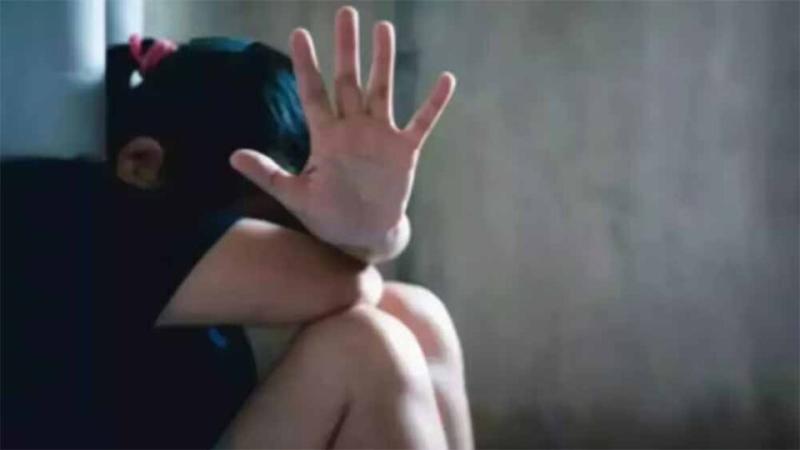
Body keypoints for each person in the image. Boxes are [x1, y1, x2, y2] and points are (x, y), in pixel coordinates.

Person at [1, 6, 472, 449]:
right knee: (366, 348)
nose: (290, 246)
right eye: (270, 228)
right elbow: (348, 282)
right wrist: (370, 236)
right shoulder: (70, 210)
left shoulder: (163, 224)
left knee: (414, 313)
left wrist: (375, 226)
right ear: (141, 163)